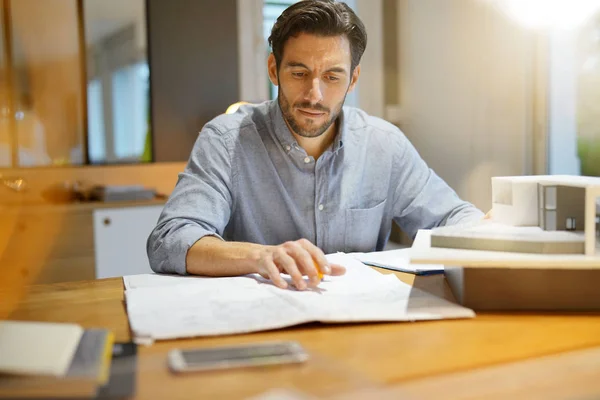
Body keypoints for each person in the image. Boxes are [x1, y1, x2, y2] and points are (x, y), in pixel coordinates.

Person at [147, 0, 483, 290]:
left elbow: (450, 217)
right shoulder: (226, 139)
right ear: (273, 70)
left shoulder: (384, 144)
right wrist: (262, 256)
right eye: (299, 73)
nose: (314, 95)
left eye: (332, 77)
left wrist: (492, 231)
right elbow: (171, 240)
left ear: (353, 79)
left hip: (362, 324)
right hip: (264, 324)